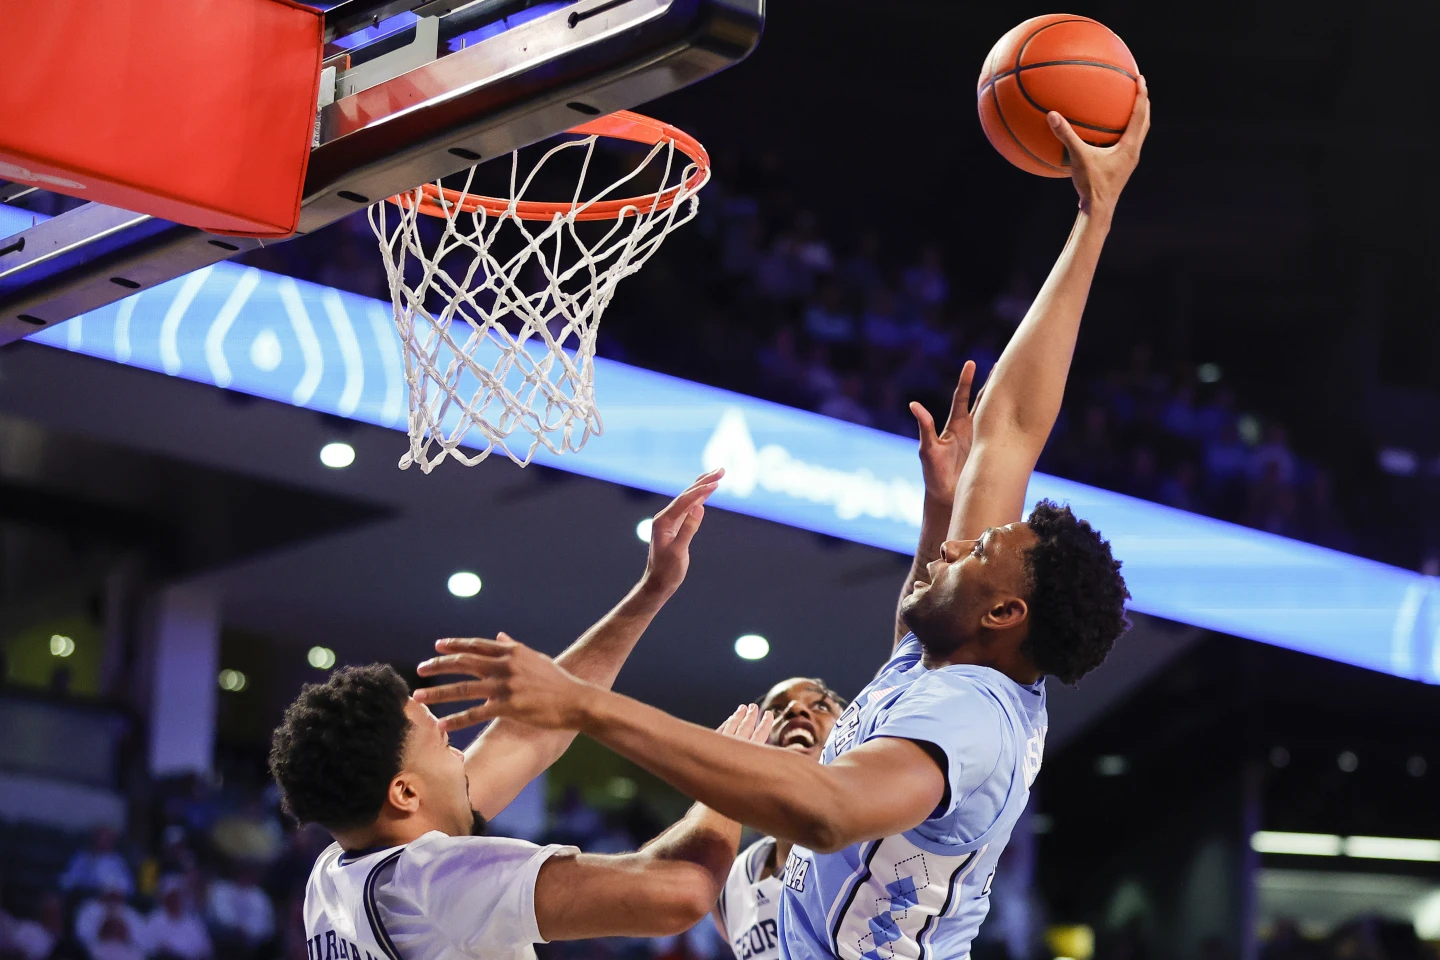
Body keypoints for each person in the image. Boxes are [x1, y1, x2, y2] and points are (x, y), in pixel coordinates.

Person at [414, 82, 1149, 960]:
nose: (957, 538)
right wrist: (1092, 215)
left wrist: (581, 704)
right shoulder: (946, 654)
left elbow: (828, 810)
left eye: (977, 551)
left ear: (1003, 615)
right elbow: (1011, 429)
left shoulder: (977, 717)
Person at [268, 473, 778, 960]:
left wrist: (651, 591)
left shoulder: (337, 871)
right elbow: (682, 894)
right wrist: (728, 780)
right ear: (404, 793)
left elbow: (527, 738)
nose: (460, 753)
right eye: (443, 744)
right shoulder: (435, 878)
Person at [713, 678, 845, 960]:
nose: (796, 709)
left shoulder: (882, 840)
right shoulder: (729, 881)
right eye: (775, 711)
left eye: (820, 705)